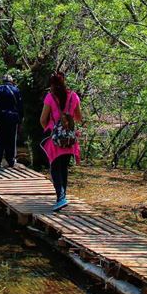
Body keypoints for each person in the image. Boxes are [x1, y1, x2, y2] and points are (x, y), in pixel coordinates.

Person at [40, 72, 82, 212]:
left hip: (55, 139)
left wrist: (50, 129)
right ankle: (62, 196)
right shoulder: (73, 96)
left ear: (51, 85)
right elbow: (78, 117)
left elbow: (42, 119)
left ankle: (61, 197)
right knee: (63, 168)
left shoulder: (50, 97)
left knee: (54, 168)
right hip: (69, 139)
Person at [0, 73, 23, 170]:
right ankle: (11, 160)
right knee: (11, 139)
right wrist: (20, 119)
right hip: (12, 118)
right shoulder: (16, 90)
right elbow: (20, 106)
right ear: (11, 81)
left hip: (0, 118)